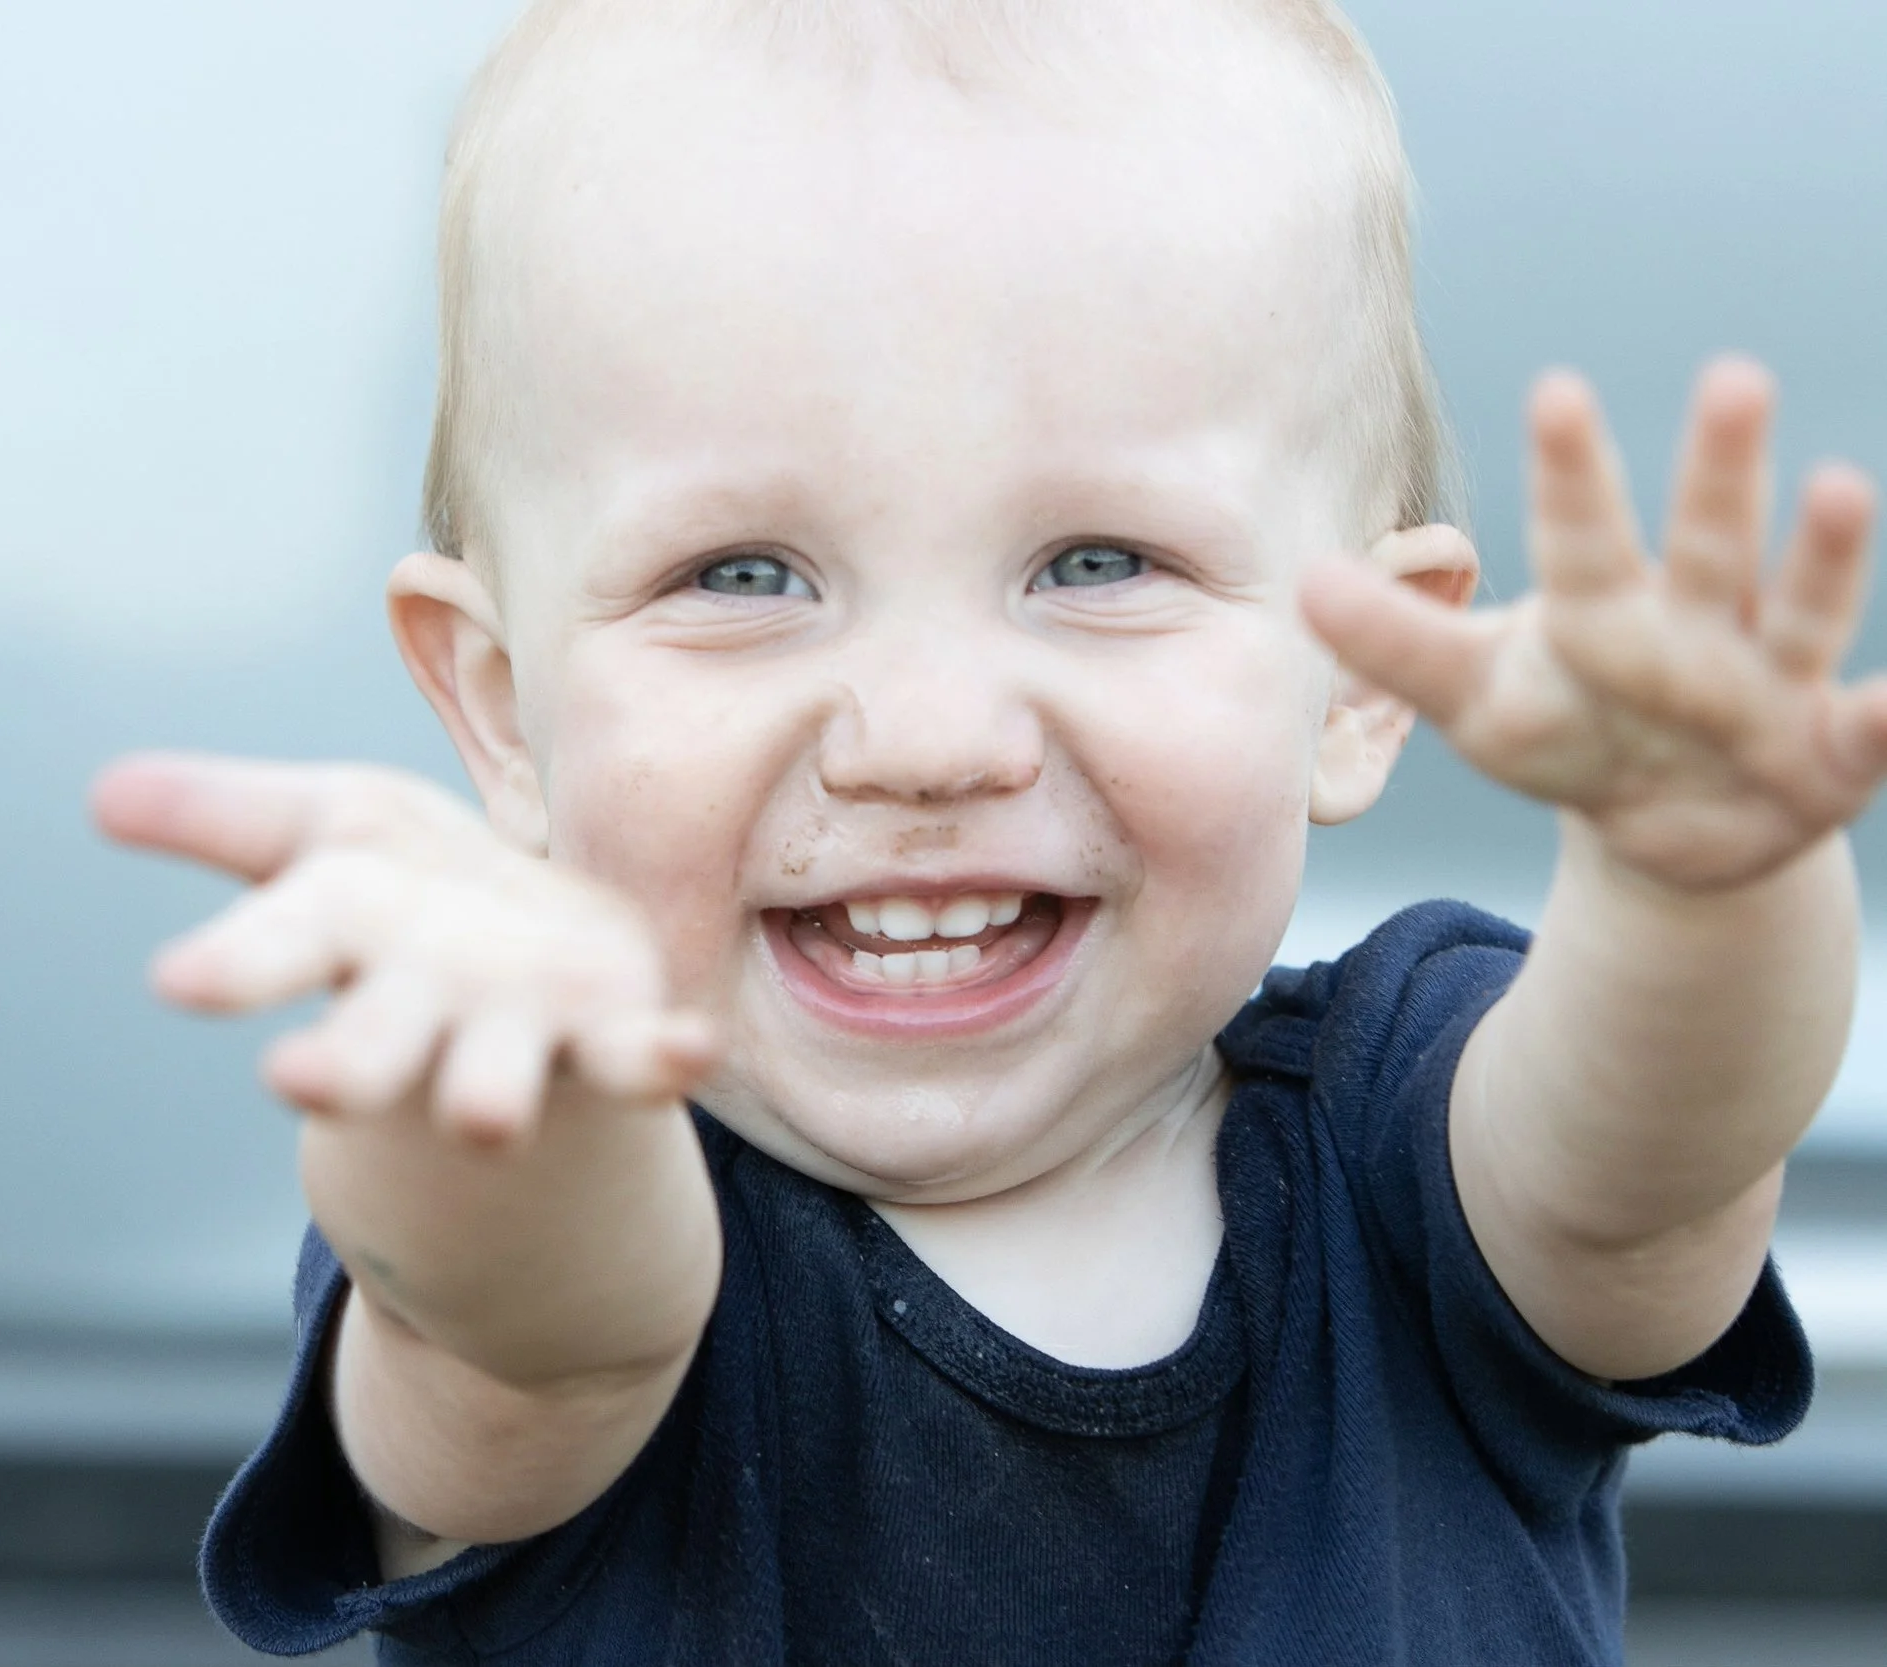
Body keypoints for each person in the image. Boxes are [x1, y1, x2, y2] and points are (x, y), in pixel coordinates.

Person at [93, 1, 1887, 1659]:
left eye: (1097, 563)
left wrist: (1703, 881)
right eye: (743, 574)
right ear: (501, 700)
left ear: (1348, 667)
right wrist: (513, 1092)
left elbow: (1652, 1166)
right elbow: (533, 1341)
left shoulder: (1418, 1147)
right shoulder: (586, 1239)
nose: (927, 738)